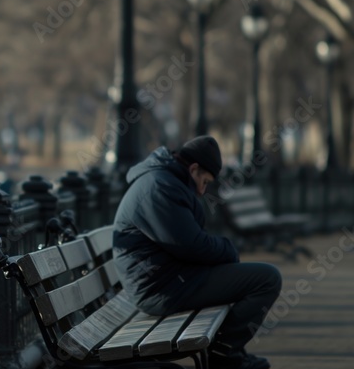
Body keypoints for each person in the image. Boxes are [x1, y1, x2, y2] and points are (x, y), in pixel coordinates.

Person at [113, 136, 281, 369]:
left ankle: (230, 352)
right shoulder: (160, 188)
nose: (203, 191)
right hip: (161, 289)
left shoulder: (164, 181)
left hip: (170, 279)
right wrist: (229, 251)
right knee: (266, 279)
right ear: (193, 168)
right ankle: (224, 356)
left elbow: (189, 243)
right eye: (204, 181)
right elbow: (191, 246)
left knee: (252, 276)